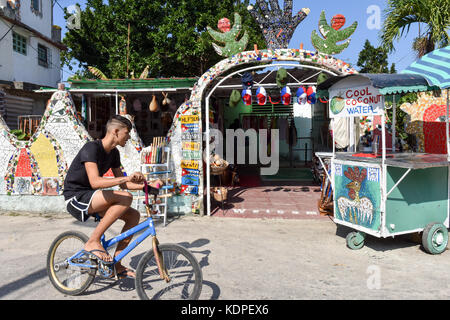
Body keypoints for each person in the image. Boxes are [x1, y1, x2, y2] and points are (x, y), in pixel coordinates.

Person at [63, 115, 162, 279]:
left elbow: (124, 184)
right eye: (127, 132)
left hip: (93, 196)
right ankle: (93, 241)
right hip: (76, 197)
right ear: (116, 131)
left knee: (133, 216)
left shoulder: (114, 153)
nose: (129, 136)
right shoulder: (91, 148)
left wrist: (148, 186)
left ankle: (117, 263)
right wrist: (126, 178)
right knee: (125, 198)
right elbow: (95, 182)